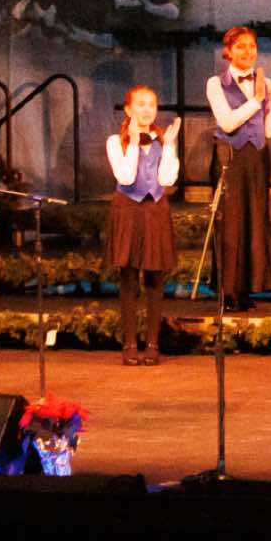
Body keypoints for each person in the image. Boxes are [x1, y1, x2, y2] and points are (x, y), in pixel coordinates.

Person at [206, 26, 271, 312]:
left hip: (256, 158)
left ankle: (247, 287)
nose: (248, 51)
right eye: (240, 46)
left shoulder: (264, 82)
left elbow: (269, 130)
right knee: (230, 224)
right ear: (228, 51)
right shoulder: (216, 83)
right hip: (229, 156)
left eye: (251, 46)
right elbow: (228, 123)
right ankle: (228, 289)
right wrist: (256, 100)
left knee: (254, 221)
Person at [106, 86, 180, 365]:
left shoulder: (162, 140)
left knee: (154, 278)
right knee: (128, 278)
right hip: (128, 209)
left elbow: (167, 179)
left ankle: (152, 343)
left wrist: (170, 147)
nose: (147, 109)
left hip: (155, 210)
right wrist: (135, 144)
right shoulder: (116, 141)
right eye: (141, 104)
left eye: (152, 104)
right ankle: (129, 343)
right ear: (128, 109)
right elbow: (125, 177)